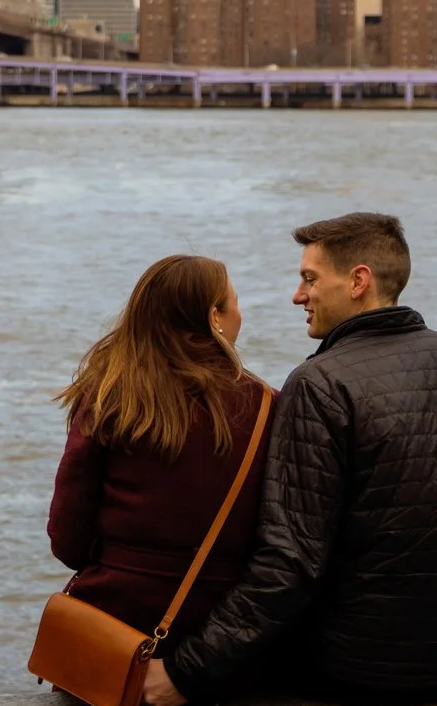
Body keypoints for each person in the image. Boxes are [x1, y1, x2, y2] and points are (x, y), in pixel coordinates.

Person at [143, 212, 437, 706]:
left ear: (358, 281)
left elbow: (290, 563)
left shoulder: (321, 383)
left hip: (346, 670)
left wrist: (186, 672)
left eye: (309, 278)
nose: (297, 295)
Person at [46, 255, 276, 654]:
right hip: (221, 630)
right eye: (234, 302)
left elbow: (68, 535)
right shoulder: (265, 405)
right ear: (214, 316)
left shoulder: (108, 395)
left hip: (114, 621)